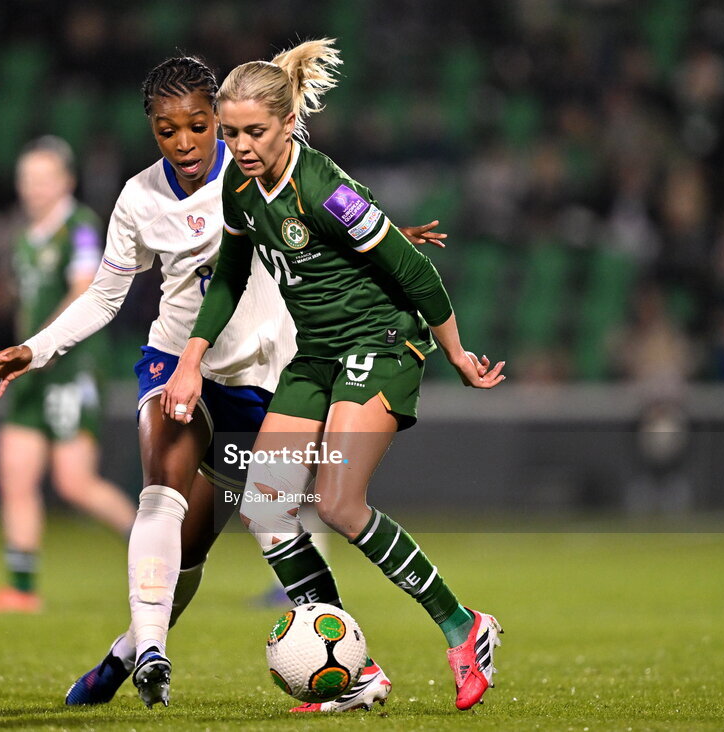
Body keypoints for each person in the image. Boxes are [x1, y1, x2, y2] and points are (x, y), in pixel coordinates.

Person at [0, 57, 444, 711]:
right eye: (168, 131)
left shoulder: (257, 163)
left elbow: (335, 212)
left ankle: (124, 655)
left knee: (215, 537)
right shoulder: (140, 199)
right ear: (153, 131)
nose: (186, 143)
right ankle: (186, 656)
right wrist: (38, 345)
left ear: (218, 120)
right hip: (176, 363)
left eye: (199, 126)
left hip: (263, 381)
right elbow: (105, 297)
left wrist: (387, 245)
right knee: (189, 494)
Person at [161, 39, 506, 712]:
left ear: (288, 123)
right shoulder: (239, 185)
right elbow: (231, 275)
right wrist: (192, 357)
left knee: (340, 504)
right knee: (266, 506)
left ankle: (466, 628)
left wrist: (458, 353)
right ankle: (355, 673)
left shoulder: (322, 186)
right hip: (316, 354)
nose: (242, 145)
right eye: (229, 133)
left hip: (378, 345)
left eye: (254, 131)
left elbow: (414, 271)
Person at [0, 136, 136, 614]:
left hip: (71, 368)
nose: (33, 188)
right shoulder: (25, 237)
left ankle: (157, 548)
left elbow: (85, 290)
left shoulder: (80, 227)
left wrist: (40, 345)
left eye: (43, 178)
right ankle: (21, 589)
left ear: (67, 181)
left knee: (74, 483)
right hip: (30, 372)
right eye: (26, 179)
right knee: (14, 475)